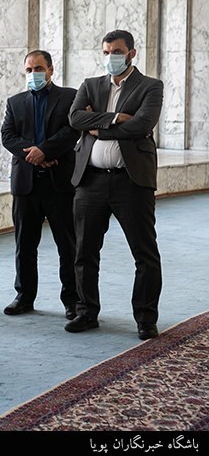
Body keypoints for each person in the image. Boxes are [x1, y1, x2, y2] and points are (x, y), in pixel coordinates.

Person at [66, 29, 164, 340]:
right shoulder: (90, 85)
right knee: (84, 251)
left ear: (132, 53)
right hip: (91, 180)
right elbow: (75, 118)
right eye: (107, 52)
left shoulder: (150, 86)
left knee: (144, 253)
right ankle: (86, 312)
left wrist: (99, 126)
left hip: (131, 181)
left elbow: (142, 125)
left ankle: (145, 318)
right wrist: (117, 118)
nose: (111, 57)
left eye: (117, 52)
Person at [0, 50, 80, 319]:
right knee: (24, 244)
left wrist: (45, 150)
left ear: (50, 70)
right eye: (29, 69)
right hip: (26, 184)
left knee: (67, 245)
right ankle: (24, 296)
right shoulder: (15, 102)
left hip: (60, 183)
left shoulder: (69, 97)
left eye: (38, 69)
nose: (33, 74)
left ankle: (73, 299)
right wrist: (34, 154)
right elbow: (8, 136)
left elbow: (72, 130)